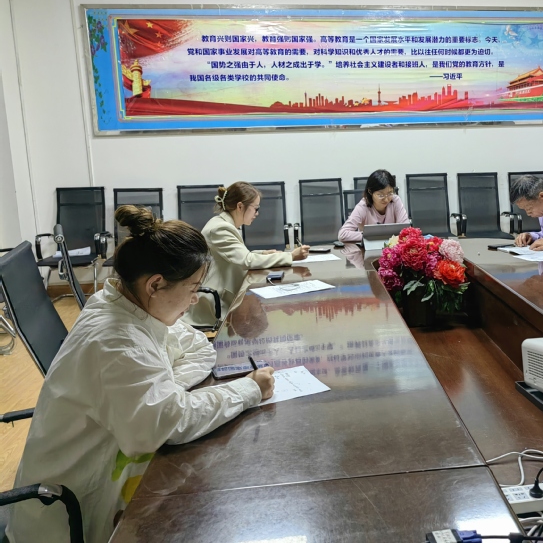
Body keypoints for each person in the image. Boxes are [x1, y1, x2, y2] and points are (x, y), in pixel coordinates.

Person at [6, 206, 275, 543]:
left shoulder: (123, 304)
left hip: (107, 478)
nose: (195, 299)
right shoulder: (117, 340)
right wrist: (248, 390)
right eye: (193, 287)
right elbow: (169, 422)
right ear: (156, 284)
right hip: (65, 518)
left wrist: (167, 388)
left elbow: (197, 347)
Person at [184, 182, 309, 327]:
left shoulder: (224, 224)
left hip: (221, 295)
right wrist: (291, 256)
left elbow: (235, 256)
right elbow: (247, 260)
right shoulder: (220, 228)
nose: (257, 213)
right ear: (240, 206)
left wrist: (262, 253)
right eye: (256, 208)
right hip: (214, 304)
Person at [338, 169, 409, 243]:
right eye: (381, 195)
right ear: (370, 191)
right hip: (368, 248)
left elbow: (406, 230)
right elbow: (343, 234)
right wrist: (371, 236)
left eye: (390, 193)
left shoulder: (395, 201)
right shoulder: (363, 206)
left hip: (392, 248)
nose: (386, 199)